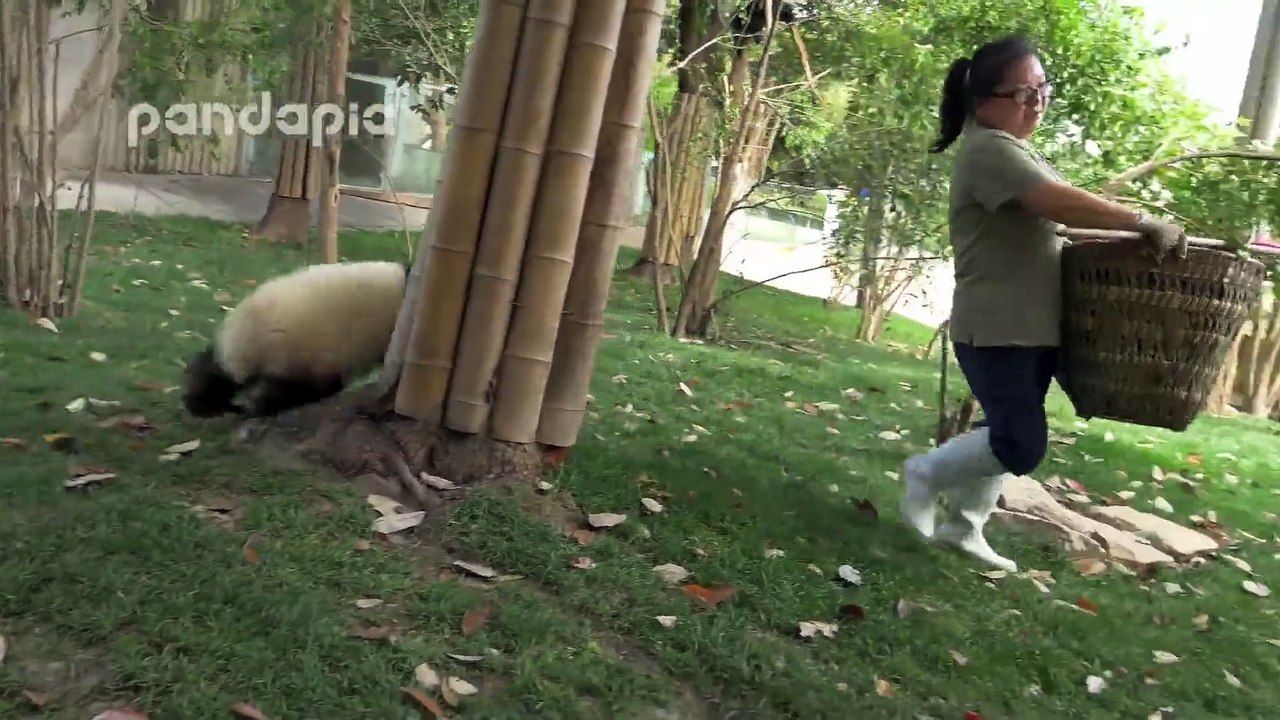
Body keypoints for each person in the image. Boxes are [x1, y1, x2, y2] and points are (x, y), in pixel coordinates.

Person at [900, 35, 1188, 572]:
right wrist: (1139, 221)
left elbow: (1053, 223)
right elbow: (1052, 201)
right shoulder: (989, 148)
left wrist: (1127, 239)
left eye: (1041, 89)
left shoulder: (1017, 150)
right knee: (1021, 444)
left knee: (1002, 429)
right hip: (995, 328)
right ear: (983, 101)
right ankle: (925, 473)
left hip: (1027, 328)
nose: (1037, 102)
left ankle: (964, 528)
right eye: (1023, 92)